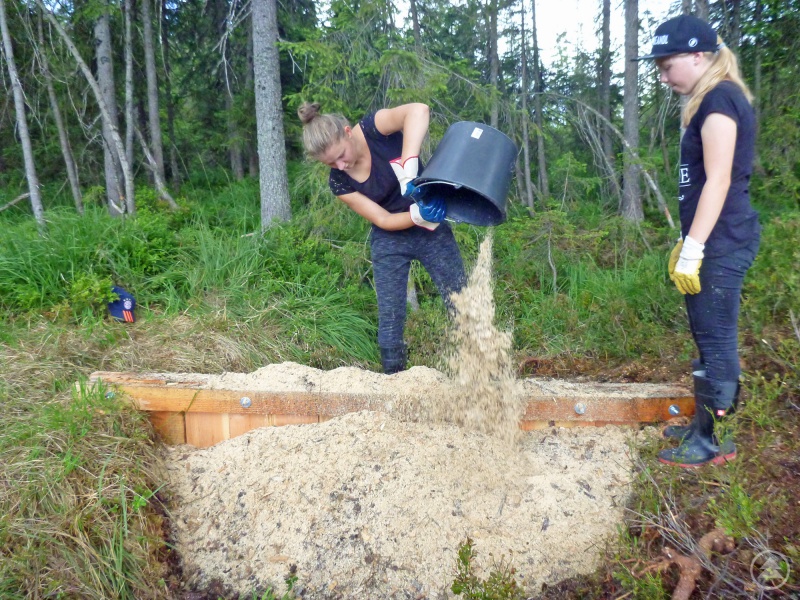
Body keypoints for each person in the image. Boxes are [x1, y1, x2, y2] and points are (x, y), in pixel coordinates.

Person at [635, 15, 760, 467]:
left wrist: (696, 246)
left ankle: (713, 442)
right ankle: (703, 427)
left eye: (668, 66)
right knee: (707, 336)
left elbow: (720, 178)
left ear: (698, 56)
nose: (663, 76)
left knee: (717, 337)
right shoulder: (708, 101)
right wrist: (689, 240)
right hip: (714, 240)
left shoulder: (720, 99)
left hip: (724, 241)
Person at [297, 102, 466, 374]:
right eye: (331, 163)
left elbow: (419, 110)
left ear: (347, 132)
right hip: (391, 237)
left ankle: (478, 370)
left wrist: (408, 163)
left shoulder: (375, 128)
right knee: (390, 317)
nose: (341, 164)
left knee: (461, 300)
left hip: (432, 230)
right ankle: (394, 380)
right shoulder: (339, 181)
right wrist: (416, 215)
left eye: (341, 155)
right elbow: (383, 220)